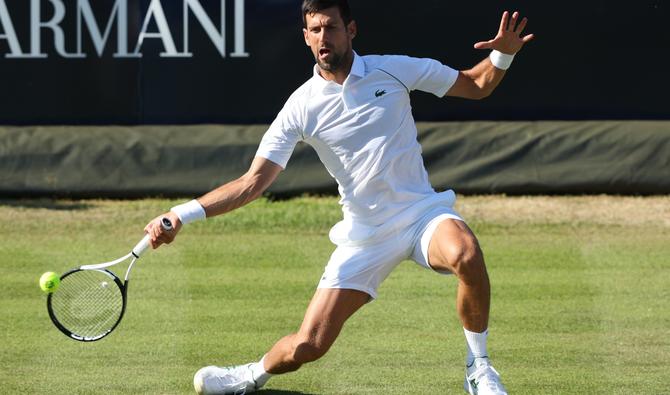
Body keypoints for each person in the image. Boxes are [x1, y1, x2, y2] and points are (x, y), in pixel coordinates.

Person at [144, 1, 534, 394]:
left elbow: (477, 84)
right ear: (305, 38)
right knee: (307, 346)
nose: (323, 38)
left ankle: (478, 368)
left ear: (351, 30)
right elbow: (252, 183)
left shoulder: (393, 69)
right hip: (364, 236)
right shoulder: (300, 106)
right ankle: (248, 376)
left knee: (465, 253)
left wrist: (504, 53)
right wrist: (182, 214)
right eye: (314, 30)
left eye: (330, 28)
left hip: (420, 215)